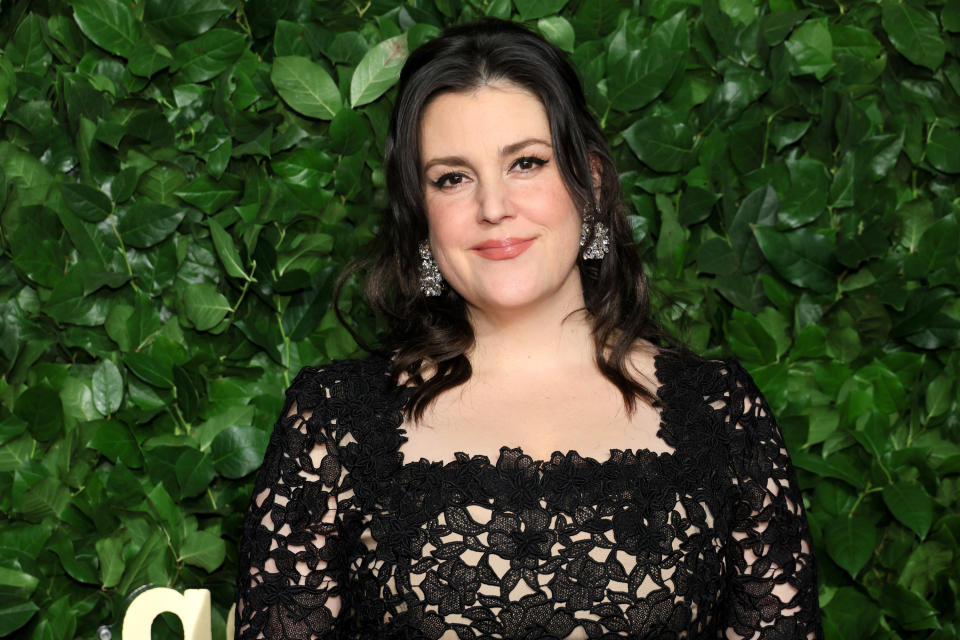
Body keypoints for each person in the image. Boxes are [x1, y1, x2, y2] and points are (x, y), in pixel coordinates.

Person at [234, 18, 822, 640]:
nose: (493, 207)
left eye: (526, 163)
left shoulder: (720, 412)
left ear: (590, 182)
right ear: (422, 213)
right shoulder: (332, 421)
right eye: (452, 178)